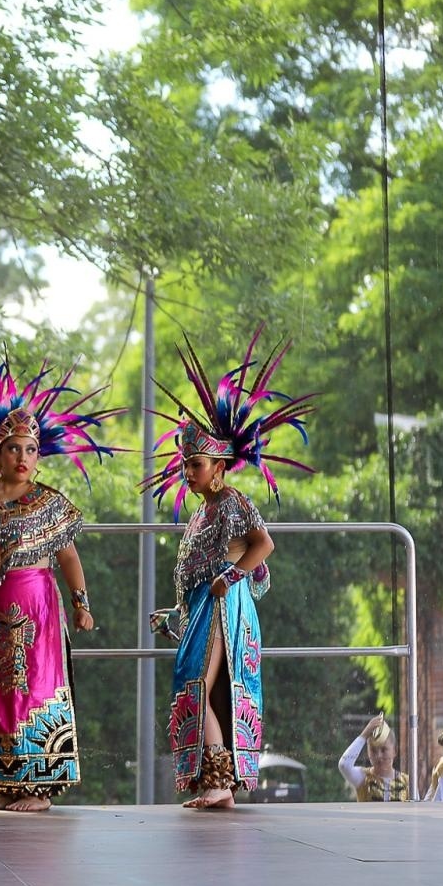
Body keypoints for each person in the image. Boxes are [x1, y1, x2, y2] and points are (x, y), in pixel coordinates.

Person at [0, 344, 121, 811]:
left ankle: (38, 789)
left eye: (31, 450)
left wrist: (81, 603)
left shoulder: (49, 503)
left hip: (34, 610)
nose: (23, 456)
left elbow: (68, 556)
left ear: (39, 457)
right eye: (14, 448)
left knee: (32, 690)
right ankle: (5, 784)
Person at [143, 330, 314, 809]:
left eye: (195, 464)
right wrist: (174, 612)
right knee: (205, 688)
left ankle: (220, 782)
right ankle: (217, 783)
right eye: (185, 465)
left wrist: (230, 578)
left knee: (200, 684)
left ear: (219, 466)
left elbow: (264, 545)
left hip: (225, 605)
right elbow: (199, 575)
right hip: (207, 605)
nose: (187, 472)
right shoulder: (202, 512)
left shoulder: (233, 502)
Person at [338, 714, 409, 802]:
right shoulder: (363, 778)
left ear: (395, 750)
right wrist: (364, 734)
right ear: (368, 752)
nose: (379, 756)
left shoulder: (407, 782)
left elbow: (416, 808)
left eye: (384, 750)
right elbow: (344, 765)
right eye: (373, 750)